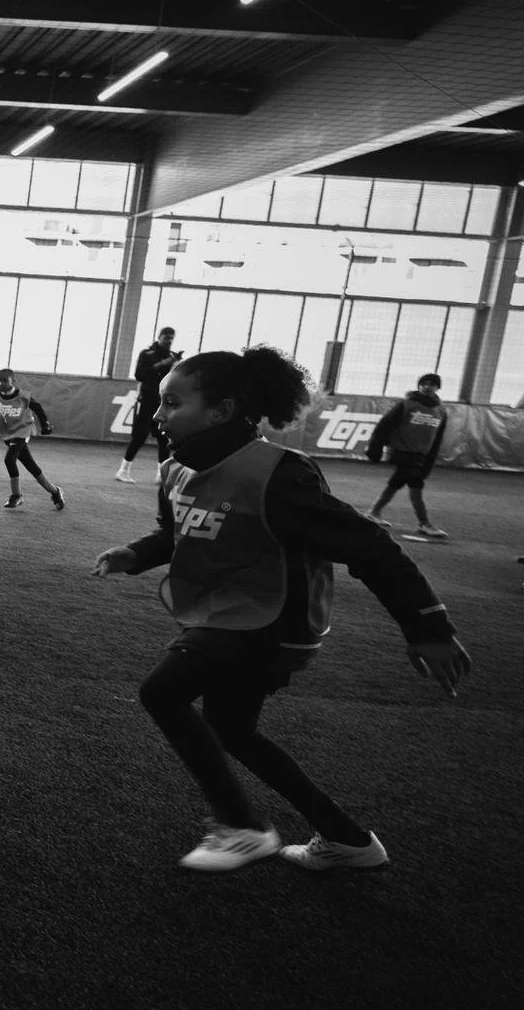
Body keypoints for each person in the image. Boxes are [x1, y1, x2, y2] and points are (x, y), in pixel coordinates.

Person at [91, 347, 472, 873]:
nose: (158, 415)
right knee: (232, 729)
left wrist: (428, 625)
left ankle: (242, 827)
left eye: (173, 403)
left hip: (271, 625)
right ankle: (349, 840)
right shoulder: (177, 470)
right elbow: (177, 533)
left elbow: (371, 547)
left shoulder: (280, 474)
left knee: (162, 690)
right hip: (227, 618)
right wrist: (135, 554)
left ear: (222, 412)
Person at [366, 372, 449, 538]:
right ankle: (424, 523)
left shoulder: (441, 411)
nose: (427, 386)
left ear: (437, 387)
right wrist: (375, 448)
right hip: (402, 450)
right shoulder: (407, 404)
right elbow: (385, 425)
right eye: (424, 383)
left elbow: (436, 439)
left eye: (431, 384)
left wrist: (429, 462)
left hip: (421, 455)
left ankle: (374, 512)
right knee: (415, 483)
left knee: (399, 481)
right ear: (419, 385)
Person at [0, 368, 65, 511]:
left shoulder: (23, 397)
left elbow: (38, 408)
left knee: (9, 459)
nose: (1, 383)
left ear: (13, 381)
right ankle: (55, 491)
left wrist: (45, 426)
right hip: (8, 434)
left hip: (23, 431)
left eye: (5, 380)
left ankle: (16, 495)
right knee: (32, 467)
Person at [116, 327, 181, 484]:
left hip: (163, 403)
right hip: (147, 400)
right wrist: (162, 364)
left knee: (163, 437)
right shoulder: (147, 354)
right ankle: (123, 470)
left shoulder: (172, 357)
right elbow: (140, 374)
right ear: (159, 337)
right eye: (166, 337)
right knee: (140, 435)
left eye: (172, 338)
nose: (169, 341)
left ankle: (162, 474)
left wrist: (176, 364)